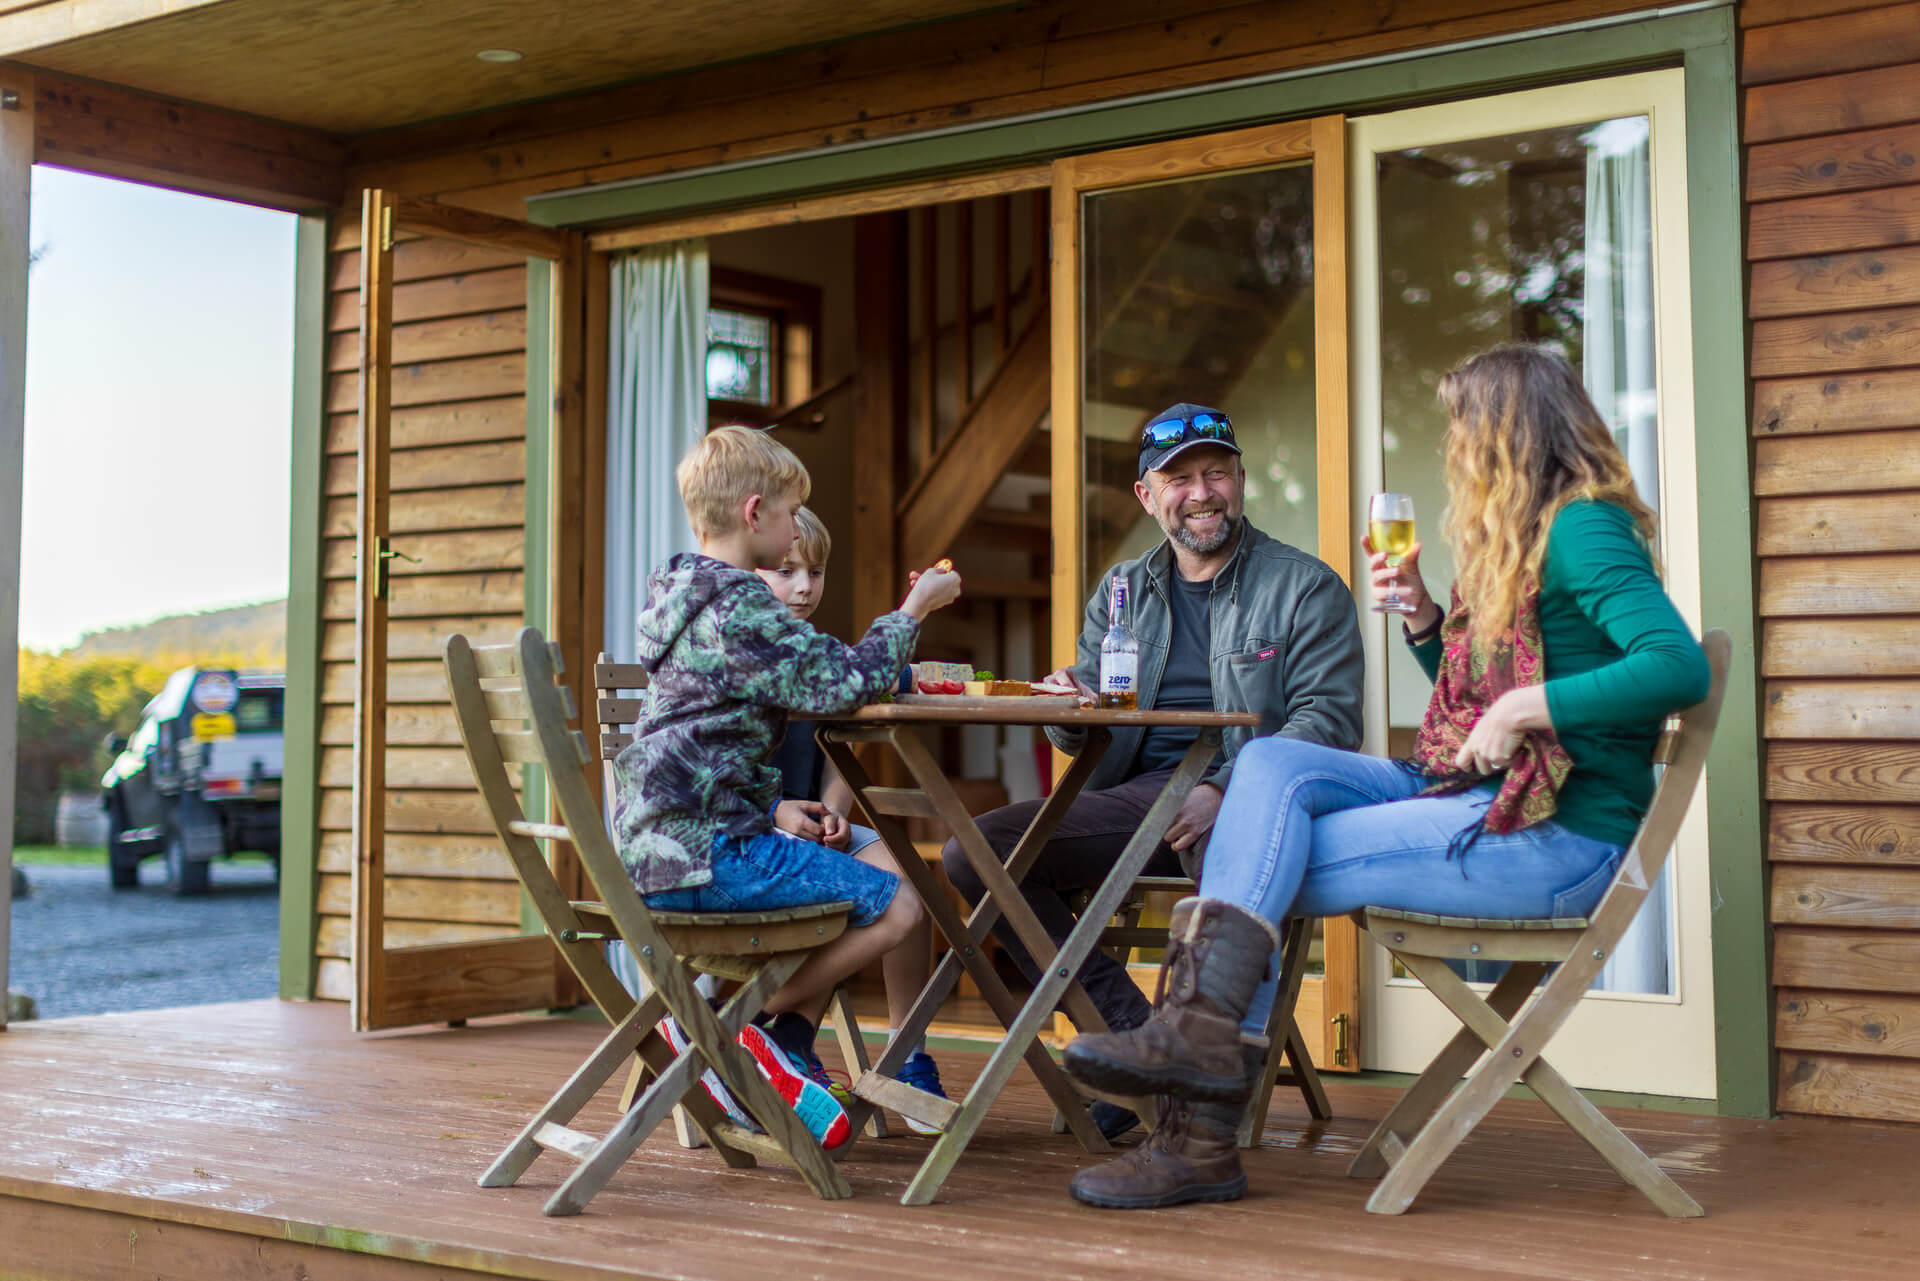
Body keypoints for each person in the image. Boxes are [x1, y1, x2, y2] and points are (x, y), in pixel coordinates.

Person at [1058, 343, 1713, 1209]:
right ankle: (1196, 1055)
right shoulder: (1527, 539)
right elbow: (1483, 681)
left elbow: (1676, 665)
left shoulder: (1584, 527)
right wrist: (1427, 620)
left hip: (1556, 834)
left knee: (1256, 852)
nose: (1451, 446)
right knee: (1270, 764)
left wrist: (1526, 710)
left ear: (1505, 434)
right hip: (1488, 799)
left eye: (1459, 425)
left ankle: (1196, 1122)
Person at [940, 401, 1364, 1139]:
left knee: (1225, 852)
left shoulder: (1305, 586)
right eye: (1180, 478)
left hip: (1253, 799)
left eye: (1216, 472)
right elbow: (1090, 722)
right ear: (1147, 495)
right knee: (974, 852)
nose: (1201, 492)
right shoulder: (1122, 590)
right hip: (1139, 798)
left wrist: (1226, 787)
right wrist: (1065, 706)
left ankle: (1183, 1071)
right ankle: (1138, 1032)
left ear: (1239, 478)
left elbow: (1327, 721)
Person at [611, 426, 961, 1151]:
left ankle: (757, 1039)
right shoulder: (742, 607)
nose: (798, 525)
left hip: (660, 850)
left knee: (863, 883)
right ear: (753, 512)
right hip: (710, 856)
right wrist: (916, 609)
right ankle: (730, 1032)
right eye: (792, 510)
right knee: (898, 902)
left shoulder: (690, 597)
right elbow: (850, 681)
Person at [756, 504, 950, 1131]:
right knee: (869, 892)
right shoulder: (746, 650)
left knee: (912, 877)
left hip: (813, 827)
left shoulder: (817, 652)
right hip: (748, 834)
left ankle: (904, 1050)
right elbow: (700, 770)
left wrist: (836, 810)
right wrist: (778, 811)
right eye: (785, 571)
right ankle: (768, 1032)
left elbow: (839, 744)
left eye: (814, 572)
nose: (804, 586)